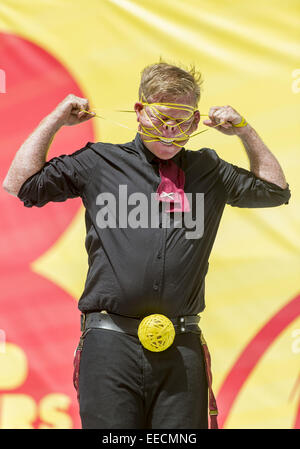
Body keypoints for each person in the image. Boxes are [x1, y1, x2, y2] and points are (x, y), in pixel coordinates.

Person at [2, 61, 291, 429]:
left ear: (195, 121)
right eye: (163, 117)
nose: (171, 130)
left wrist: (243, 130)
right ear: (140, 112)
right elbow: (19, 183)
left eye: (182, 120)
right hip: (110, 343)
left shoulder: (209, 170)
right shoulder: (100, 163)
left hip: (181, 344)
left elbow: (275, 191)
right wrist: (57, 118)